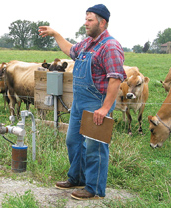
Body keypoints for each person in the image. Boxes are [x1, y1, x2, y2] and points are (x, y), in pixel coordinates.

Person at [39, 4, 127, 200]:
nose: (85, 23)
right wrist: (55, 34)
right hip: (79, 103)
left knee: (95, 146)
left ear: (102, 23)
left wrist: (105, 108)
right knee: (73, 141)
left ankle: (93, 189)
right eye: (85, 19)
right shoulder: (88, 43)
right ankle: (77, 178)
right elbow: (70, 50)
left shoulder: (110, 46)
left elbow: (115, 79)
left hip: (97, 103)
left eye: (90, 20)